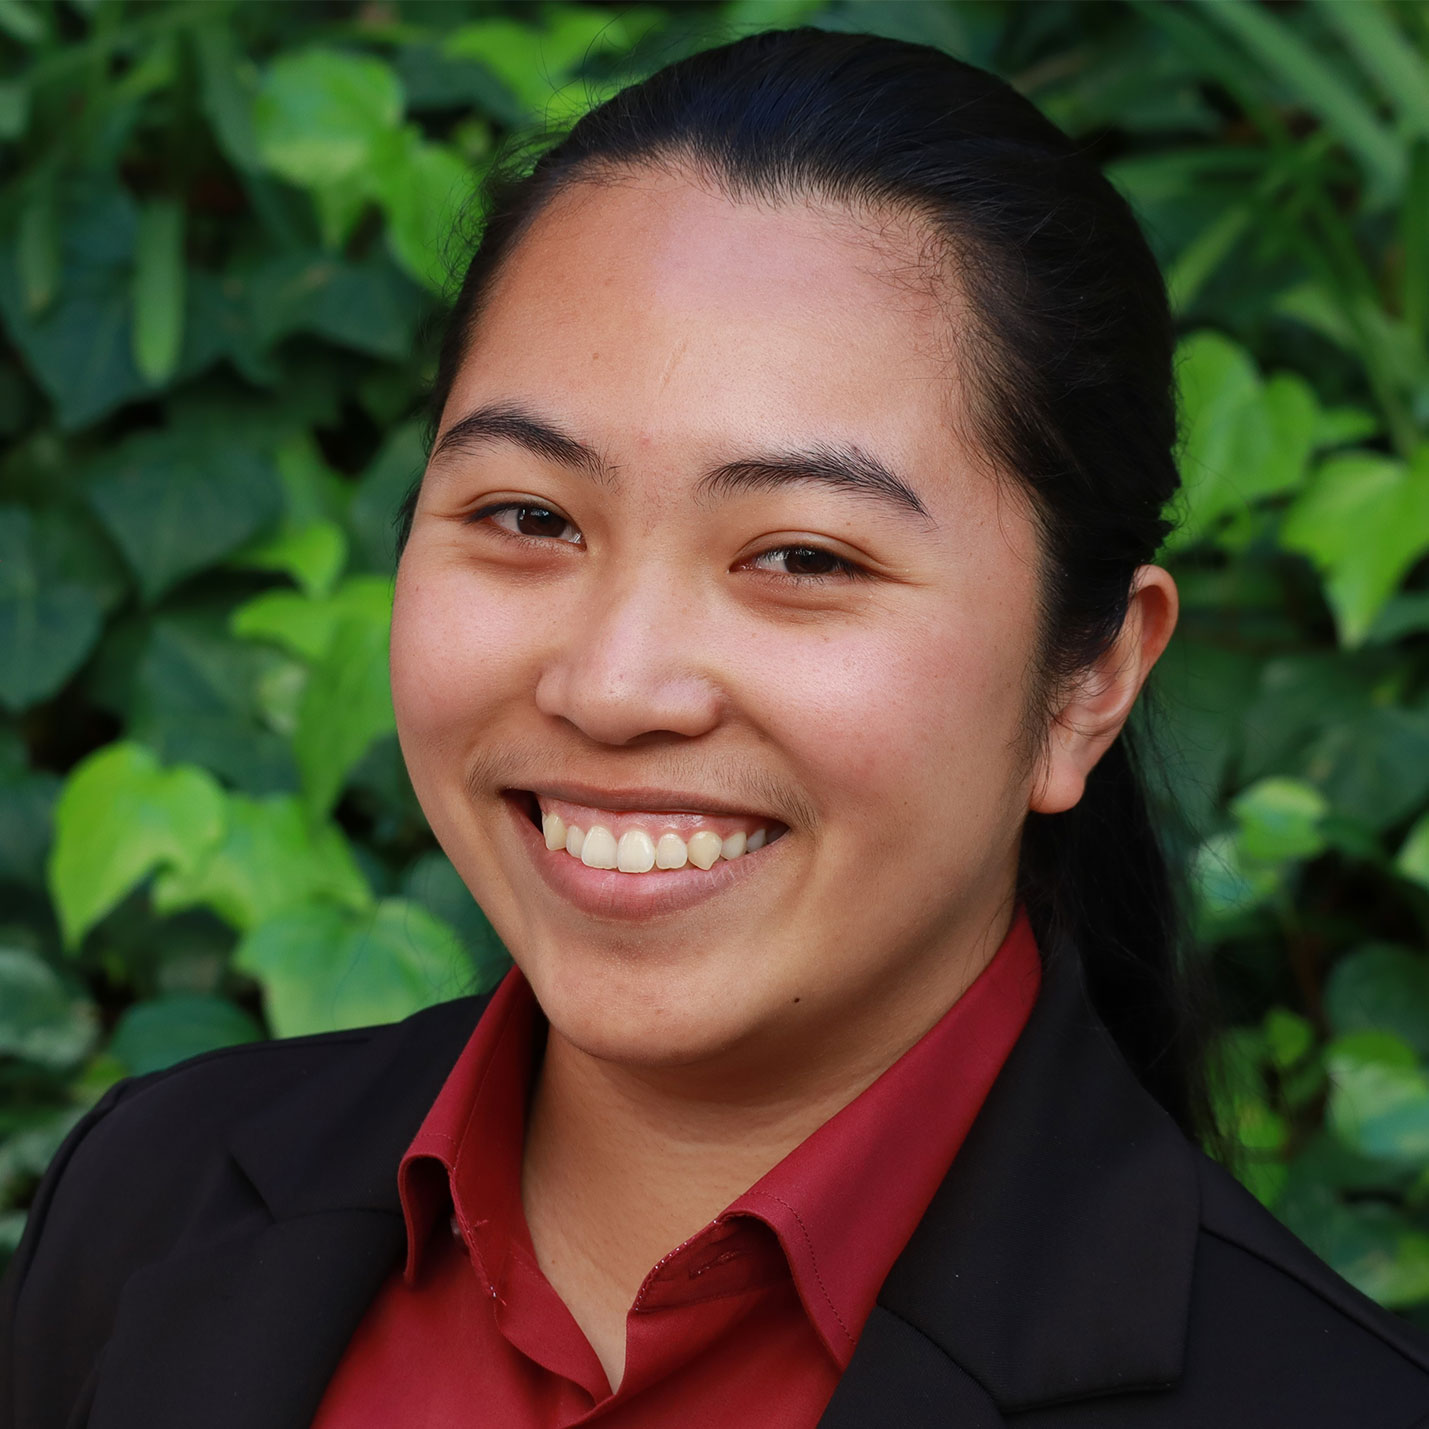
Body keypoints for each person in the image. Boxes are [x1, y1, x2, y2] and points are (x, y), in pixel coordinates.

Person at [4, 25, 1428, 1429]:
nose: (615, 686)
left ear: (1088, 679)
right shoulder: (149, 1199)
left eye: (801, 556)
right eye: (527, 516)